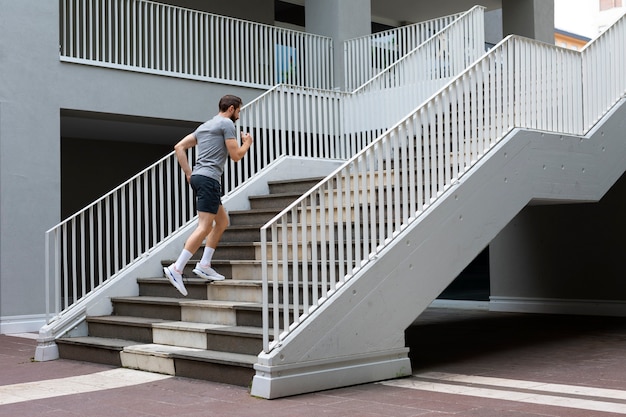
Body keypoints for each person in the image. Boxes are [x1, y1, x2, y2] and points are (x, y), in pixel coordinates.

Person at [164, 95, 253, 296]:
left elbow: (179, 147)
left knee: (222, 222)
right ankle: (176, 268)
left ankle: (204, 264)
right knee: (205, 227)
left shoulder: (206, 125)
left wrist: (189, 173)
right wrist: (247, 143)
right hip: (209, 179)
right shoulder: (227, 124)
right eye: (239, 111)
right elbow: (236, 156)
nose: (239, 115)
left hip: (199, 178)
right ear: (231, 109)